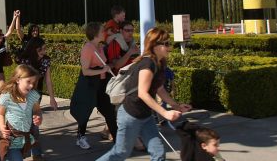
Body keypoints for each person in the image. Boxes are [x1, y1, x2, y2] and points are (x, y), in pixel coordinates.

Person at [95, 27, 192, 161]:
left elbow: (159, 89)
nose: (170, 47)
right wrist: (165, 113)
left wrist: (175, 105)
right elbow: (143, 93)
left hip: (145, 115)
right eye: (166, 44)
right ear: (155, 46)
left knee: (158, 153)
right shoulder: (148, 64)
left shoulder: (160, 63)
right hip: (131, 115)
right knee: (120, 152)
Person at [69, 22, 116, 150]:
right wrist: (102, 70)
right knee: (85, 111)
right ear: (96, 34)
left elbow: (103, 64)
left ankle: (118, 141)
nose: (104, 33)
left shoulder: (100, 46)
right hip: (89, 86)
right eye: (102, 31)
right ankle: (80, 137)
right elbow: (85, 71)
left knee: (109, 112)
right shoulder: (88, 48)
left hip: (101, 85)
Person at [0, 64, 44, 161]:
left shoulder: (33, 95)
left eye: (33, 83)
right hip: (12, 137)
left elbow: (37, 110)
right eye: (28, 82)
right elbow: (1, 114)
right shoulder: (7, 97)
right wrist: (2, 128)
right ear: (18, 80)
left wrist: (38, 117)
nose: (31, 85)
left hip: (25, 139)